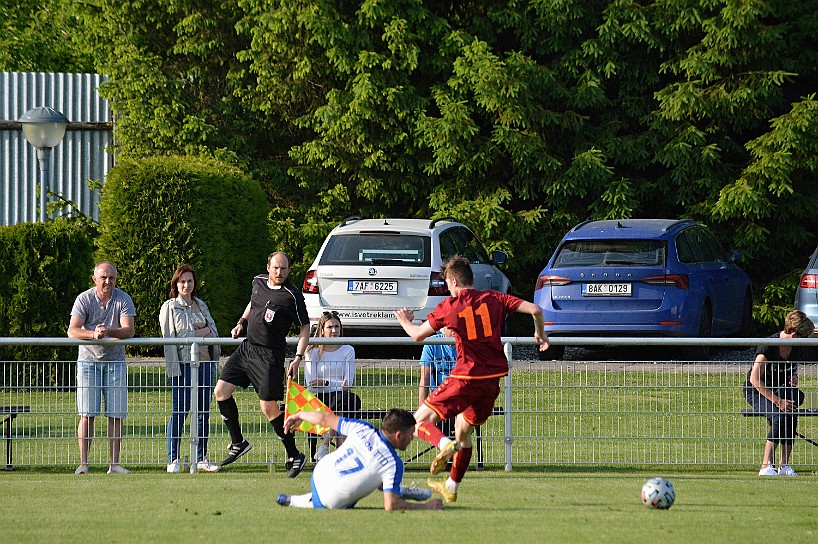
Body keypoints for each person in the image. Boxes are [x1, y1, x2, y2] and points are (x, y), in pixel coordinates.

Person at [395, 255, 549, 502]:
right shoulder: (495, 298)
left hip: (465, 377)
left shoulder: (450, 305)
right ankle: (451, 487)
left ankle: (443, 444)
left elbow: (416, 336)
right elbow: (536, 309)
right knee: (463, 433)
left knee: (416, 422)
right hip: (491, 384)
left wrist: (405, 321)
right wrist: (539, 333)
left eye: (447, 284)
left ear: (454, 281)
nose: (448, 289)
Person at [214, 252, 310, 477]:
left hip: (270, 356)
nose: (279, 273)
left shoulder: (292, 296)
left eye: (284, 269)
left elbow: (305, 329)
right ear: (268, 267)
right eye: (276, 268)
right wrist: (241, 322)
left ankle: (295, 454)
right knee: (221, 392)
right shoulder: (257, 282)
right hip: (247, 348)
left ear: (288, 270)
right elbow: (252, 303)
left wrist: (297, 358)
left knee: (269, 408)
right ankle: (238, 443)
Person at [277, 409, 444, 511]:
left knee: (370, 471)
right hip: (332, 499)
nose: (412, 439)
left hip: (320, 473)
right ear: (399, 436)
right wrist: (426, 507)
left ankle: (290, 500)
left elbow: (323, 418)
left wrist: (299, 415)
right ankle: (397, 490)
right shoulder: (393, 463)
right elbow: (391, 505)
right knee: (348, 494)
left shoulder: (362, 427)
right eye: (410, 435)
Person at [67, 261, 136, 475]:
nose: (108, 281)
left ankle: (114, 464)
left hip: (115, 362)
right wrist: (93, 335)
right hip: (88, 362)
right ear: (94, 278)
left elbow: (128, 330)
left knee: (116, 414)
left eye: (112, 278)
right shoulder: (84, 299)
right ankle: (84, 464)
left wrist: (107, 332)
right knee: (87, 413)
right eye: (104, 277)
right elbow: (73, 330)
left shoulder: (123, 299)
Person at [159, 264, 221, 473]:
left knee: (203, 411)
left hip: (204, 364)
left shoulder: (201, 305)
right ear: (176, 284)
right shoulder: (170, 307)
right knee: (180, 411)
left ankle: (201, 457)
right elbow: (174, 338)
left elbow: (213, 331)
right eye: (182, 281)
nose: (186, 285)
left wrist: (199, 331)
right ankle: (173, 459)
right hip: (183, 366)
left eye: (190, 281)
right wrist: (199, 333)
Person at [744, 310, 814, 477]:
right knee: (779, 415)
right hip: (757, 390)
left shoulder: (797, 348)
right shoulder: (768, 346)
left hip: (780, 388)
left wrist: (793, 378)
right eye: (804, 337)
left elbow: (790, 371)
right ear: (795, 335)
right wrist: (778, 401)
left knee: (791, 411)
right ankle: (766, 465)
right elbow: (755, 380)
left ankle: (784, 465)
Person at [304, 311, 361, 461]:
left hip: (341, 397)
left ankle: (325, 445)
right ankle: (341, 456)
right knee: (343, 403)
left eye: (337, 326)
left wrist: (326, 382)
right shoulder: (313, 351)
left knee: (347, 400)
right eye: (330, 327)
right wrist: (334, 384)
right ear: (322, 329)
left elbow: (348, 383)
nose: (334, 330)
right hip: (320, 398)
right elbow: (312, 385)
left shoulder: (348, 350)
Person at [418, 326, 457, 438]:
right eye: (452, 327)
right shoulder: (432, 343)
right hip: (439, 400)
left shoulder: (466, 344)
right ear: (444, 329)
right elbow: (424, 378)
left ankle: (452, 448)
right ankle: (448, 447)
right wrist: (422, 410)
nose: (455, 331)